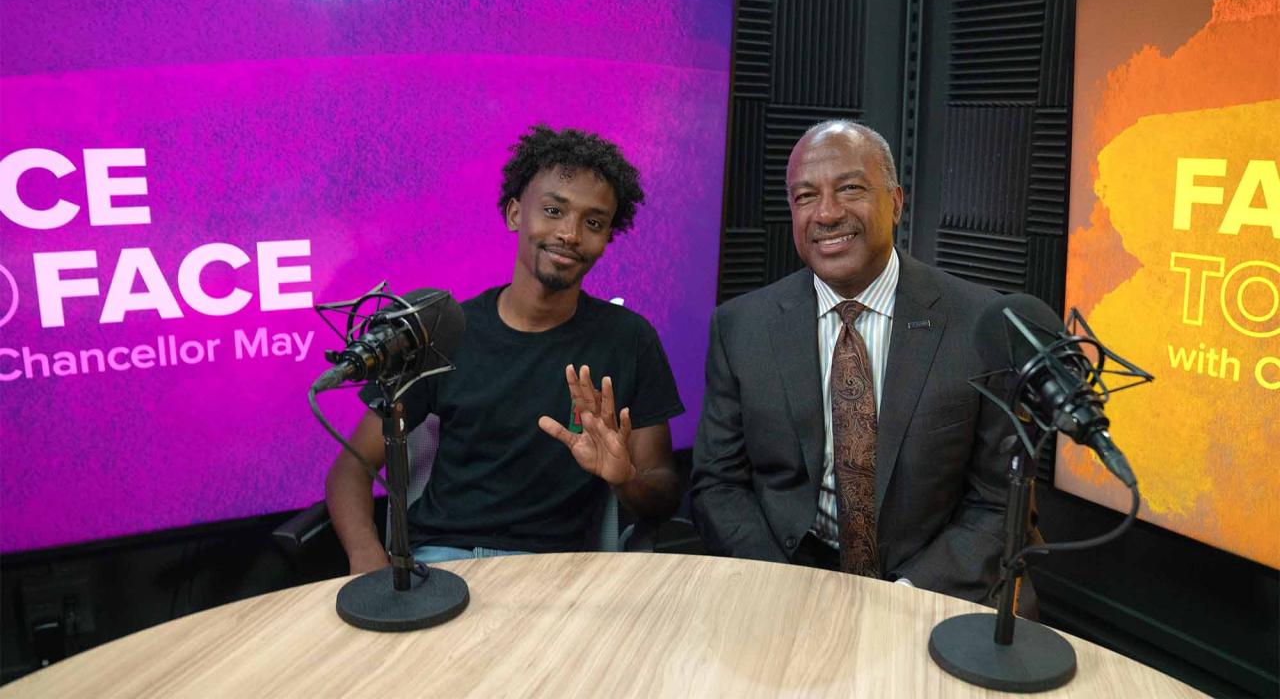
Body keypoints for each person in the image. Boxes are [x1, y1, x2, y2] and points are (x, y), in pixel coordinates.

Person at [690, 119, 1030, 605]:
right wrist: (781, 587)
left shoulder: (979, 324)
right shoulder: (740, 326)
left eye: (850, 188)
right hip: (786, 577)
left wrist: (904, 596)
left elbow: (999, 502)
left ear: (896, 202)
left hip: (924, 587)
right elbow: (718, 484)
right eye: (805, 196)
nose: (827, 213)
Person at [326, 125, 684, 574]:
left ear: (608, 238)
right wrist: (368, 559)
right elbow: (351, 467)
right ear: (516, 214)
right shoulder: (442, 332)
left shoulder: (629, 339)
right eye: (553, 210)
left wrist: (626, 479)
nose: (570, 233)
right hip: (441, 563)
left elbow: (662, 490)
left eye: (593, 223)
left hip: (555, 571)